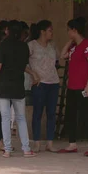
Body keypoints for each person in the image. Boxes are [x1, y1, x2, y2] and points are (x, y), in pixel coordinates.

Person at [0, 21, 39, 158]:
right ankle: (26, 149)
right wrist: (32, 73)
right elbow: (22, 66)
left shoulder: (3, 46)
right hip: (18, 87)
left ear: (8, 31)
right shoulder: (24, 47)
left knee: (5, 118)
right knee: (21, 117)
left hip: (3, 87)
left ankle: (8, 149)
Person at [60, 17, 88, 156]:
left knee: (86, 115)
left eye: (69, 30)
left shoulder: (86, 45)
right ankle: (72, 143)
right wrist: (71, 40)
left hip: (82, 87)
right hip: (72, 87)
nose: (68, 33)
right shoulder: (74, 47)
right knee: (70, 115)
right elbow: (63, 55)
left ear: (74, 30)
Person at [28, 20, 60, 152]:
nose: (52, 33)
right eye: (50, 30)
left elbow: (59, 59)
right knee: (38, 113)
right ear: (42, 31)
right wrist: (33, 74)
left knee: (52, 113)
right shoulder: (32, 45)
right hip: (40, 83)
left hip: (53, 82)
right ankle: (36, 142)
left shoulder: (52, 46)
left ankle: (50, 142)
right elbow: (23, 63)